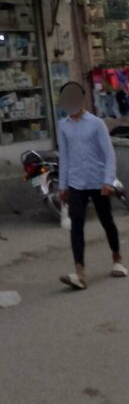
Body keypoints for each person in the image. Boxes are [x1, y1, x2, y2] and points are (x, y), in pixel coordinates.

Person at [57, 81, 127, 290]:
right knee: (76, 226)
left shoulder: (96, 123)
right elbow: (65, 157)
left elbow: (108, 154)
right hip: (76, 183)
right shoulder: (63, 126)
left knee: (107, 220)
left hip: (98, 181)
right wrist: (62, 185)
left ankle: (117, 259)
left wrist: (108, 180)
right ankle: (80, 272)